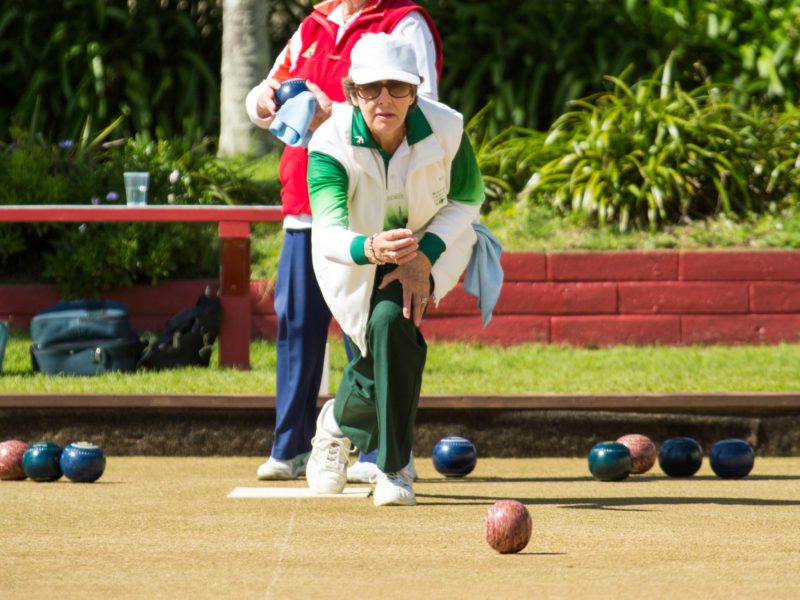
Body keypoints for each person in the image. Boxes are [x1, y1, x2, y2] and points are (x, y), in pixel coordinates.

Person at [245, 0, 443, 483]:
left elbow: (424, 110)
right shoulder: (315, 25)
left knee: (370, 332)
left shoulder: (403, 22)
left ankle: (380, 453)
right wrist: (266, 100)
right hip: (305, 204)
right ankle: (291, 447)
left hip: (373, 208)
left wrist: (337, 114)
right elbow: (264, 93)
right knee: (298, 329)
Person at [304, 33, 485, 506]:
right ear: (351, 92)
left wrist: (423, 256)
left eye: (397, 87)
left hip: (428, 247)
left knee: (392, 325)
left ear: (415, 91)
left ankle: (394, 467)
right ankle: (335, 426)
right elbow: (325, 233)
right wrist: (372, 248)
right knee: (379, 349)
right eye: (371, 88)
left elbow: (467, 200)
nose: (384, 98)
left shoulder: (447, 128)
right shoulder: (329, 142)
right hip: (355, 257)